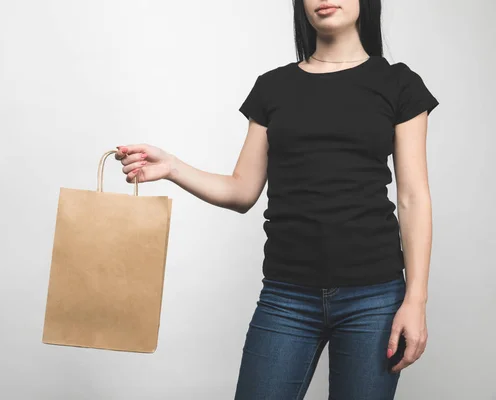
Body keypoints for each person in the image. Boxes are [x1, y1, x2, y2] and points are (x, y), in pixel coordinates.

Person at [115, 0, 438, 398]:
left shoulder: (399, 84)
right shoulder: (274, 86)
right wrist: (172, 167)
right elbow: (241, 190)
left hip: (374, 298)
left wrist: (415, 300)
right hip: (287, 296)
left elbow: (412, 198)